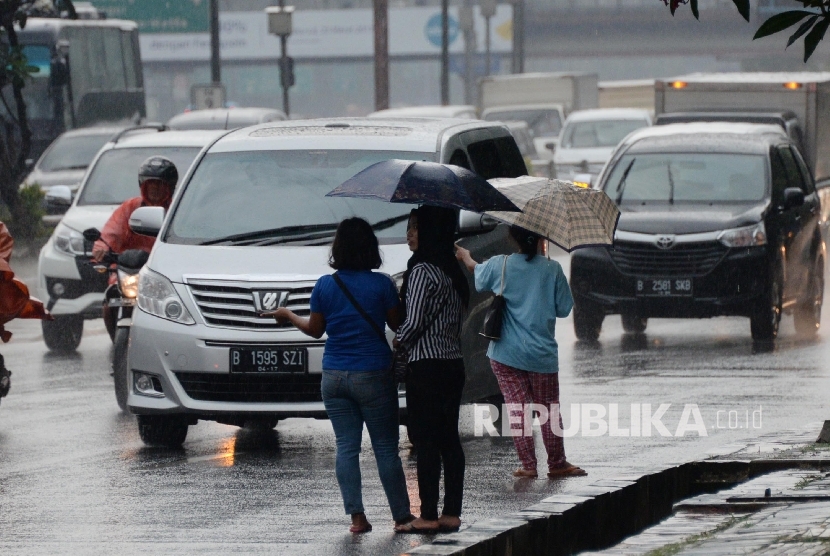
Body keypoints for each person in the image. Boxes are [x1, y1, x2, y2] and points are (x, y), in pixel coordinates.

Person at [268, 217, 412, 534]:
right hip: (373, 374)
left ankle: (357, 519)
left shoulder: (325, 285)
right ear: (371, 249)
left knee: (346, 446)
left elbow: (315, 330)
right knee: (385, 448)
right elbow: (399, 324)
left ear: (339, 248)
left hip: (333, 376)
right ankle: (402, 517)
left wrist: (289, 315)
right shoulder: (382, 284)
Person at [456, 226, 587, 479]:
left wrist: (465, 255)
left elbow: (476, 271)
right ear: (541, 239)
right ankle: (557, 463)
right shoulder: (553, 269)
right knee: (548, 410)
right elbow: (563, 310)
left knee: (518, 410)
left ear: (511, 238)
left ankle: (528, 466)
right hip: (541, 356)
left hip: (506, 354)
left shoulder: (500, 265)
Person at [394, 205, 467, 534]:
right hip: (452, 364)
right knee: (449, 439)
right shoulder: (451, 271)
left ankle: (427, 513)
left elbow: (414, 322)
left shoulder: (423, 271)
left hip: (426, 367)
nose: (409, 234)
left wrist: (398, 341)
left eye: (416, 228)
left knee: (425, 441)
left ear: (431, 233)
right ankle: (451, 512)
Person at [91, 156, 178, 263]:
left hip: (164, 267)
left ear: (170, 187)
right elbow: (112, 233)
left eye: (160, 184)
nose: (155, 188)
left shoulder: (177, 211)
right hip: (128, 269)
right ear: (143, 185)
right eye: (151, 183)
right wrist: (102, 247)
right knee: (112, 278)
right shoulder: (130, 207)